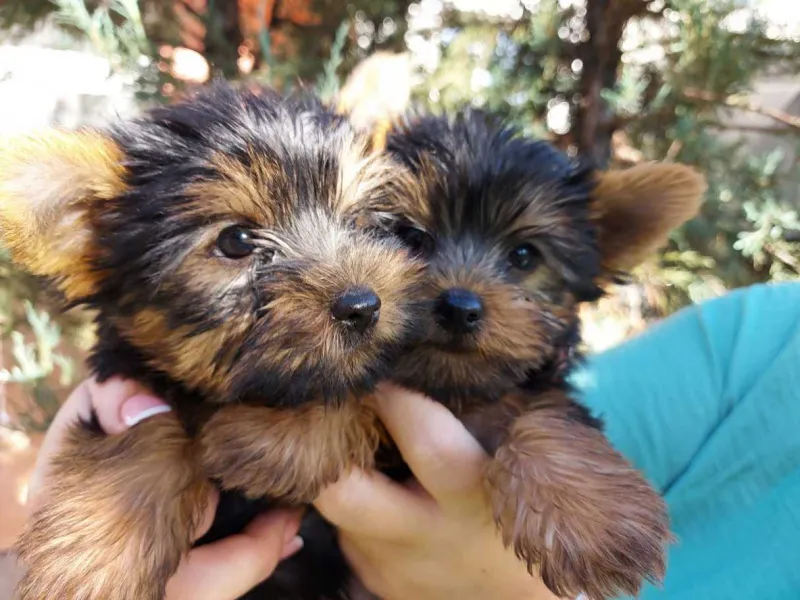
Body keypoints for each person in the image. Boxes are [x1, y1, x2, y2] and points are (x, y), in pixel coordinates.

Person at [4, 282, 799, 600]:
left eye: (521, 259)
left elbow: (544, 417)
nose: (450, 283)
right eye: (406, 232)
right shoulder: (762, 346)